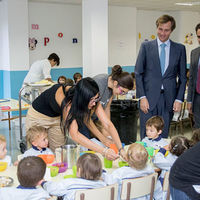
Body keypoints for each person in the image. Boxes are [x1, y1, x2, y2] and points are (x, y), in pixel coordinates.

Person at [26, 77, 124, 161]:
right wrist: (104, 151)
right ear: (83, 99)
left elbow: (107, 123)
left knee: (58, 154)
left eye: (96, 99)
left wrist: (120, 149)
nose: (95, 103)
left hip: (57, 117)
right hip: (38, 116)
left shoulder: (91, 97)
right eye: (92, 100)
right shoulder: (67, 103)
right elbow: (75, 134)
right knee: (35, 153)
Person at [135, 14, 187, 139]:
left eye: (166, 30)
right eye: (160, 29)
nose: (163, 33)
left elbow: (183, 77)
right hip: (148, 99)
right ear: (157, 28)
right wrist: (142, 97)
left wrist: (179, 99)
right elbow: (138, 73)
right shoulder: (146, 47)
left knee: (163, 135)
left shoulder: (179, 49)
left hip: (168, 99)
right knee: (146, 135)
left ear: (171, 30)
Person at [88, 65, 133, 146]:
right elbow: (86, 117)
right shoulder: (98, 84)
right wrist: (102, 138)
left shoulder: (113, 89)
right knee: (88, 145)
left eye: (125, 93)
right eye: (122, 91)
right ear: (115, 83)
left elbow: (107, 109)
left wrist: (108, 134)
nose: (122, 94)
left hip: (94, 117)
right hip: (82, 118)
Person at [42, 153, 106, 200]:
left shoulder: (70, 183)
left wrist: (44, 183)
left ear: (79, 170)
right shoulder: (102, 184)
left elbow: (51, 189)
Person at [187, 23, 200, 129]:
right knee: (197, 129)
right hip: (197, 98)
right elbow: (191, 78)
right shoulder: (194, 53)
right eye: (199, 36)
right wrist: (189, 100)